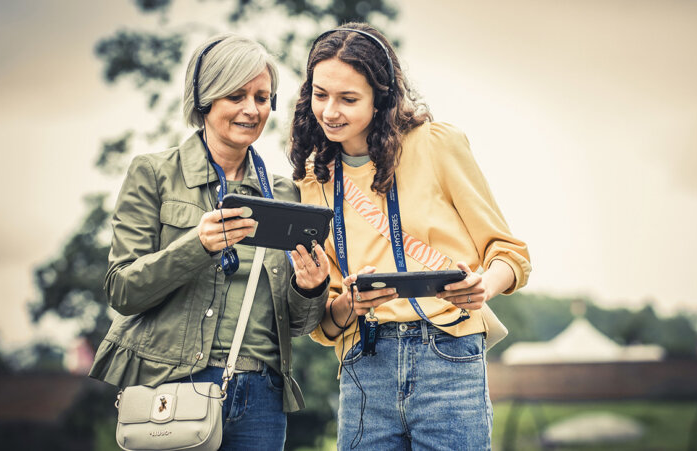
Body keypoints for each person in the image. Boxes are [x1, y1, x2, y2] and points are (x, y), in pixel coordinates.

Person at [289, 22, 531, 450]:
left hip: (449, 354)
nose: (329, 111)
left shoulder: (436, 145)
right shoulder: (315, 179)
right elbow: (325, 321)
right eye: (320, 94)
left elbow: (509, 255)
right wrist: (350, 302)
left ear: (381, 98)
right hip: (365, 362)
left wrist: (483, 287)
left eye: (348, 99)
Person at [89, 34, 330, 450]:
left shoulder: (285, 195)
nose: (251, 109)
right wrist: (195, 246)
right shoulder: (152, 173)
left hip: (263, 395)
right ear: (204, 99)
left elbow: (298, 325)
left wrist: (310, 289)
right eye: (236, 95)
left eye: (262, 97)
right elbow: (122, 290)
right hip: (174, 387)